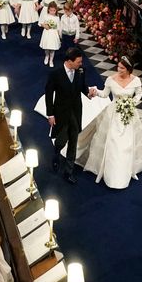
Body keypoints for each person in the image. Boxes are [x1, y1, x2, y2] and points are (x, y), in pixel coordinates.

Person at [75, 57, 142, 189]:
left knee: (127, 142)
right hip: (113, 115)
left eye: (122, 68)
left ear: (129, 69)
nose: (119, 70)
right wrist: (95, 92)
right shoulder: (111, 80)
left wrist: (131, 103)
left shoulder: (136, 80)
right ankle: (110, 171)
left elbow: (139, 95)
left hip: (128, 114)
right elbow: (105, 94)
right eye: (118, 67)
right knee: (112, 141)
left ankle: (126, 168)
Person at [45, 48, 92, 184]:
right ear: (69, 61)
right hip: (61, 113)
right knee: (61, 140)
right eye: (78, 62)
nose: (80, 64)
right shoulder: (56, 74)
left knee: (73, 141)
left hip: (76, 112)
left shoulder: (81, 71)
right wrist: (50, 114)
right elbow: (49, 94)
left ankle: (68, 172)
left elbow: (83, 87)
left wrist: (89, 92)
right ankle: (56, 153)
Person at [39, 3, 62, 67]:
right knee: (47, 47)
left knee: (52, 48)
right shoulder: (46, 16)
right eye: (51, 10)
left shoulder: (57, 18)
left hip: (54, 33)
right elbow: (41, 23)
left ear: (56, 10)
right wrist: (44, 25)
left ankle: (51, 60)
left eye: (54, 10)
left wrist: (59, 36)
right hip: (47, 33)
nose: (52, 12)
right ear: (48, 10)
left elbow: (58, 27)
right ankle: (47, 56)